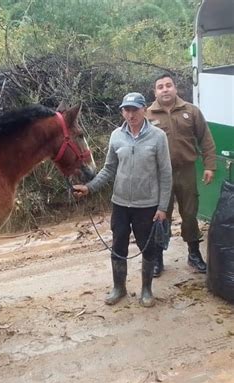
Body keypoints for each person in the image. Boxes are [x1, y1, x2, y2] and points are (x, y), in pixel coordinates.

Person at [74, 92, 172, 307]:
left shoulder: (157, 137)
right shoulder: (116, 136)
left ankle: (146, 289)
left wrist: (162, 207)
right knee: (118, 246)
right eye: (126, 110)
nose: (130, 114)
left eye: (134, 109)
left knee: (148, 248)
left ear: (143, 110)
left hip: (147, 205)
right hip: (120, 204)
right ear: (122, 112)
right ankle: (119, 288)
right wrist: (89, 188)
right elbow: (109, 169)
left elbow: (166, 173)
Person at [147, 73, 216, 276]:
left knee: (189, 214)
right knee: (160, 216)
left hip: (186, 171)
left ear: (175, 88)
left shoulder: (191, 111)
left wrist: (209, 165)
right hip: (160, 175)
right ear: (155, 92)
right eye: (160, 87)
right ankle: (158, 258)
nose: (165, 89)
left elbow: (206, 139)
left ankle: (194, 254)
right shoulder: (148, 115)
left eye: (169, 85)